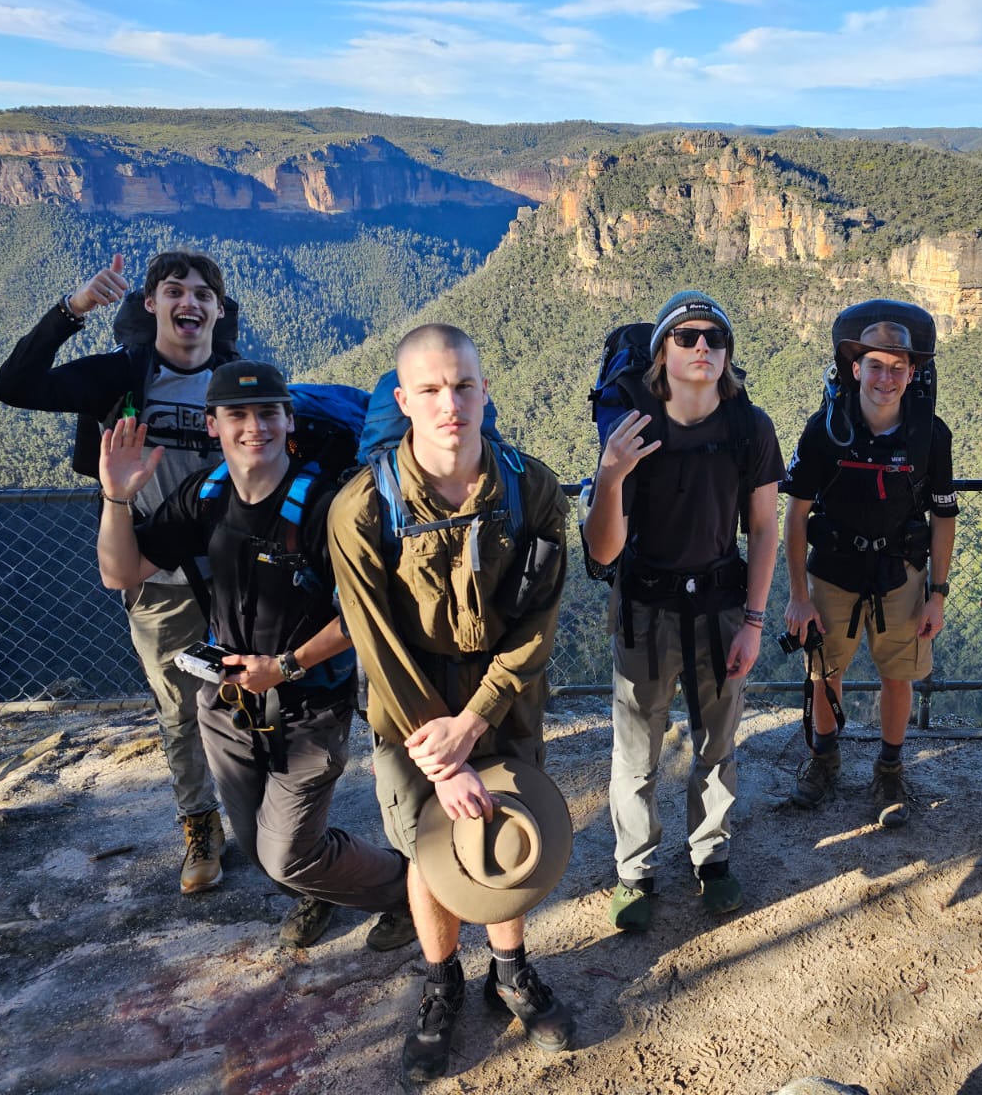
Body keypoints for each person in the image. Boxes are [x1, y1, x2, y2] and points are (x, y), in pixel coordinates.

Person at [95, 360, 413, 952]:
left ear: (288, 419)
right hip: (227, 705)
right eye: (236, 415)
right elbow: (121, 572)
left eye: (267, 412)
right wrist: (116, 498)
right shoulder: (204, 496)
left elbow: (364, 614)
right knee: (262, 847)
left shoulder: (325, 509)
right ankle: (322, 885)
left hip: (309, 705)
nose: (253, 427)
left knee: (285, 854)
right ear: (212, 425)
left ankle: (411, 891)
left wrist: (286, 665)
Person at [329, 325, 575, 1083]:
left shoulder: (529, 487)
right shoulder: (363, 511)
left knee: (508, 827)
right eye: (430, 390)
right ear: (403, 401)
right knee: (428, 849)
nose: (450, 405)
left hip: (504, 694)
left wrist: (479, 718)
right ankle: (442, 984)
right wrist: (441, 760)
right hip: (412, 707)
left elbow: (541, 619)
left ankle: (510, 969)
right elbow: (377, 647)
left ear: (485, 391)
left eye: (463, 387)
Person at [0, 252, 235, 895]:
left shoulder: (238, 383)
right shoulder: (121, 378)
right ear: (150, 305)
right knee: (178, 710)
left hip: (240, 574)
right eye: (174, 290)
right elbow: (13, 386)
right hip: (157, 580)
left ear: (218, 309)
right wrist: (72, 311)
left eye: (203, 293)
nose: (190, 301)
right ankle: (201, 826)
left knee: (255, 698)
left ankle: (274, 823)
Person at [582, 292, 783, 932]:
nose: (702, 347)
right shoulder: (634, 431)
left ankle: (711, 859)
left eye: (714, 338)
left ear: (727, 355)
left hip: (722, 608)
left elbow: (763, 529)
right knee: (635, 751)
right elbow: (603, 547)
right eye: (687, 337)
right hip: (645, 608)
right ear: (661, 353)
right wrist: (611, 475)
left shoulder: (750, 428)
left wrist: (754, 622)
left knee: (717, 745)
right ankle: (634, 871)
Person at [783, 319, 958, 826]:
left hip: (901, 575)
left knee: (896, 676)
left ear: (912, 374)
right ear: (855, 369)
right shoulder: (825, 430)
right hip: (833, 573)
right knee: (823, 672)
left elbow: (943, 516)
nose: (885, 378)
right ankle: (824, 759)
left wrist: (938, 595)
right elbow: (794, 515)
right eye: (875, 366)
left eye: (897, 368)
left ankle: (889, 767)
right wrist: (798, 596)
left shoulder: (930, 436)